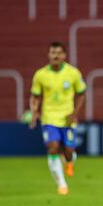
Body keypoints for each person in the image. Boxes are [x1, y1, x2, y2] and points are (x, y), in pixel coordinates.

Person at [29, 42, 87, 195]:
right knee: (53, 147)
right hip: (49, 118)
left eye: (58, 53)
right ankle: (62, 184)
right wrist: (34, 112)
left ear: (64, 55)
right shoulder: (40, 75)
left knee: (68, 151)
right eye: (52, 53)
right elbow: (35, 96)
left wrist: (74, 114)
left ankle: (69, 161)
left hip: (67, 118)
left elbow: (82, 94)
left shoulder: (73, 73)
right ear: (48, 55)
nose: (55, 56)